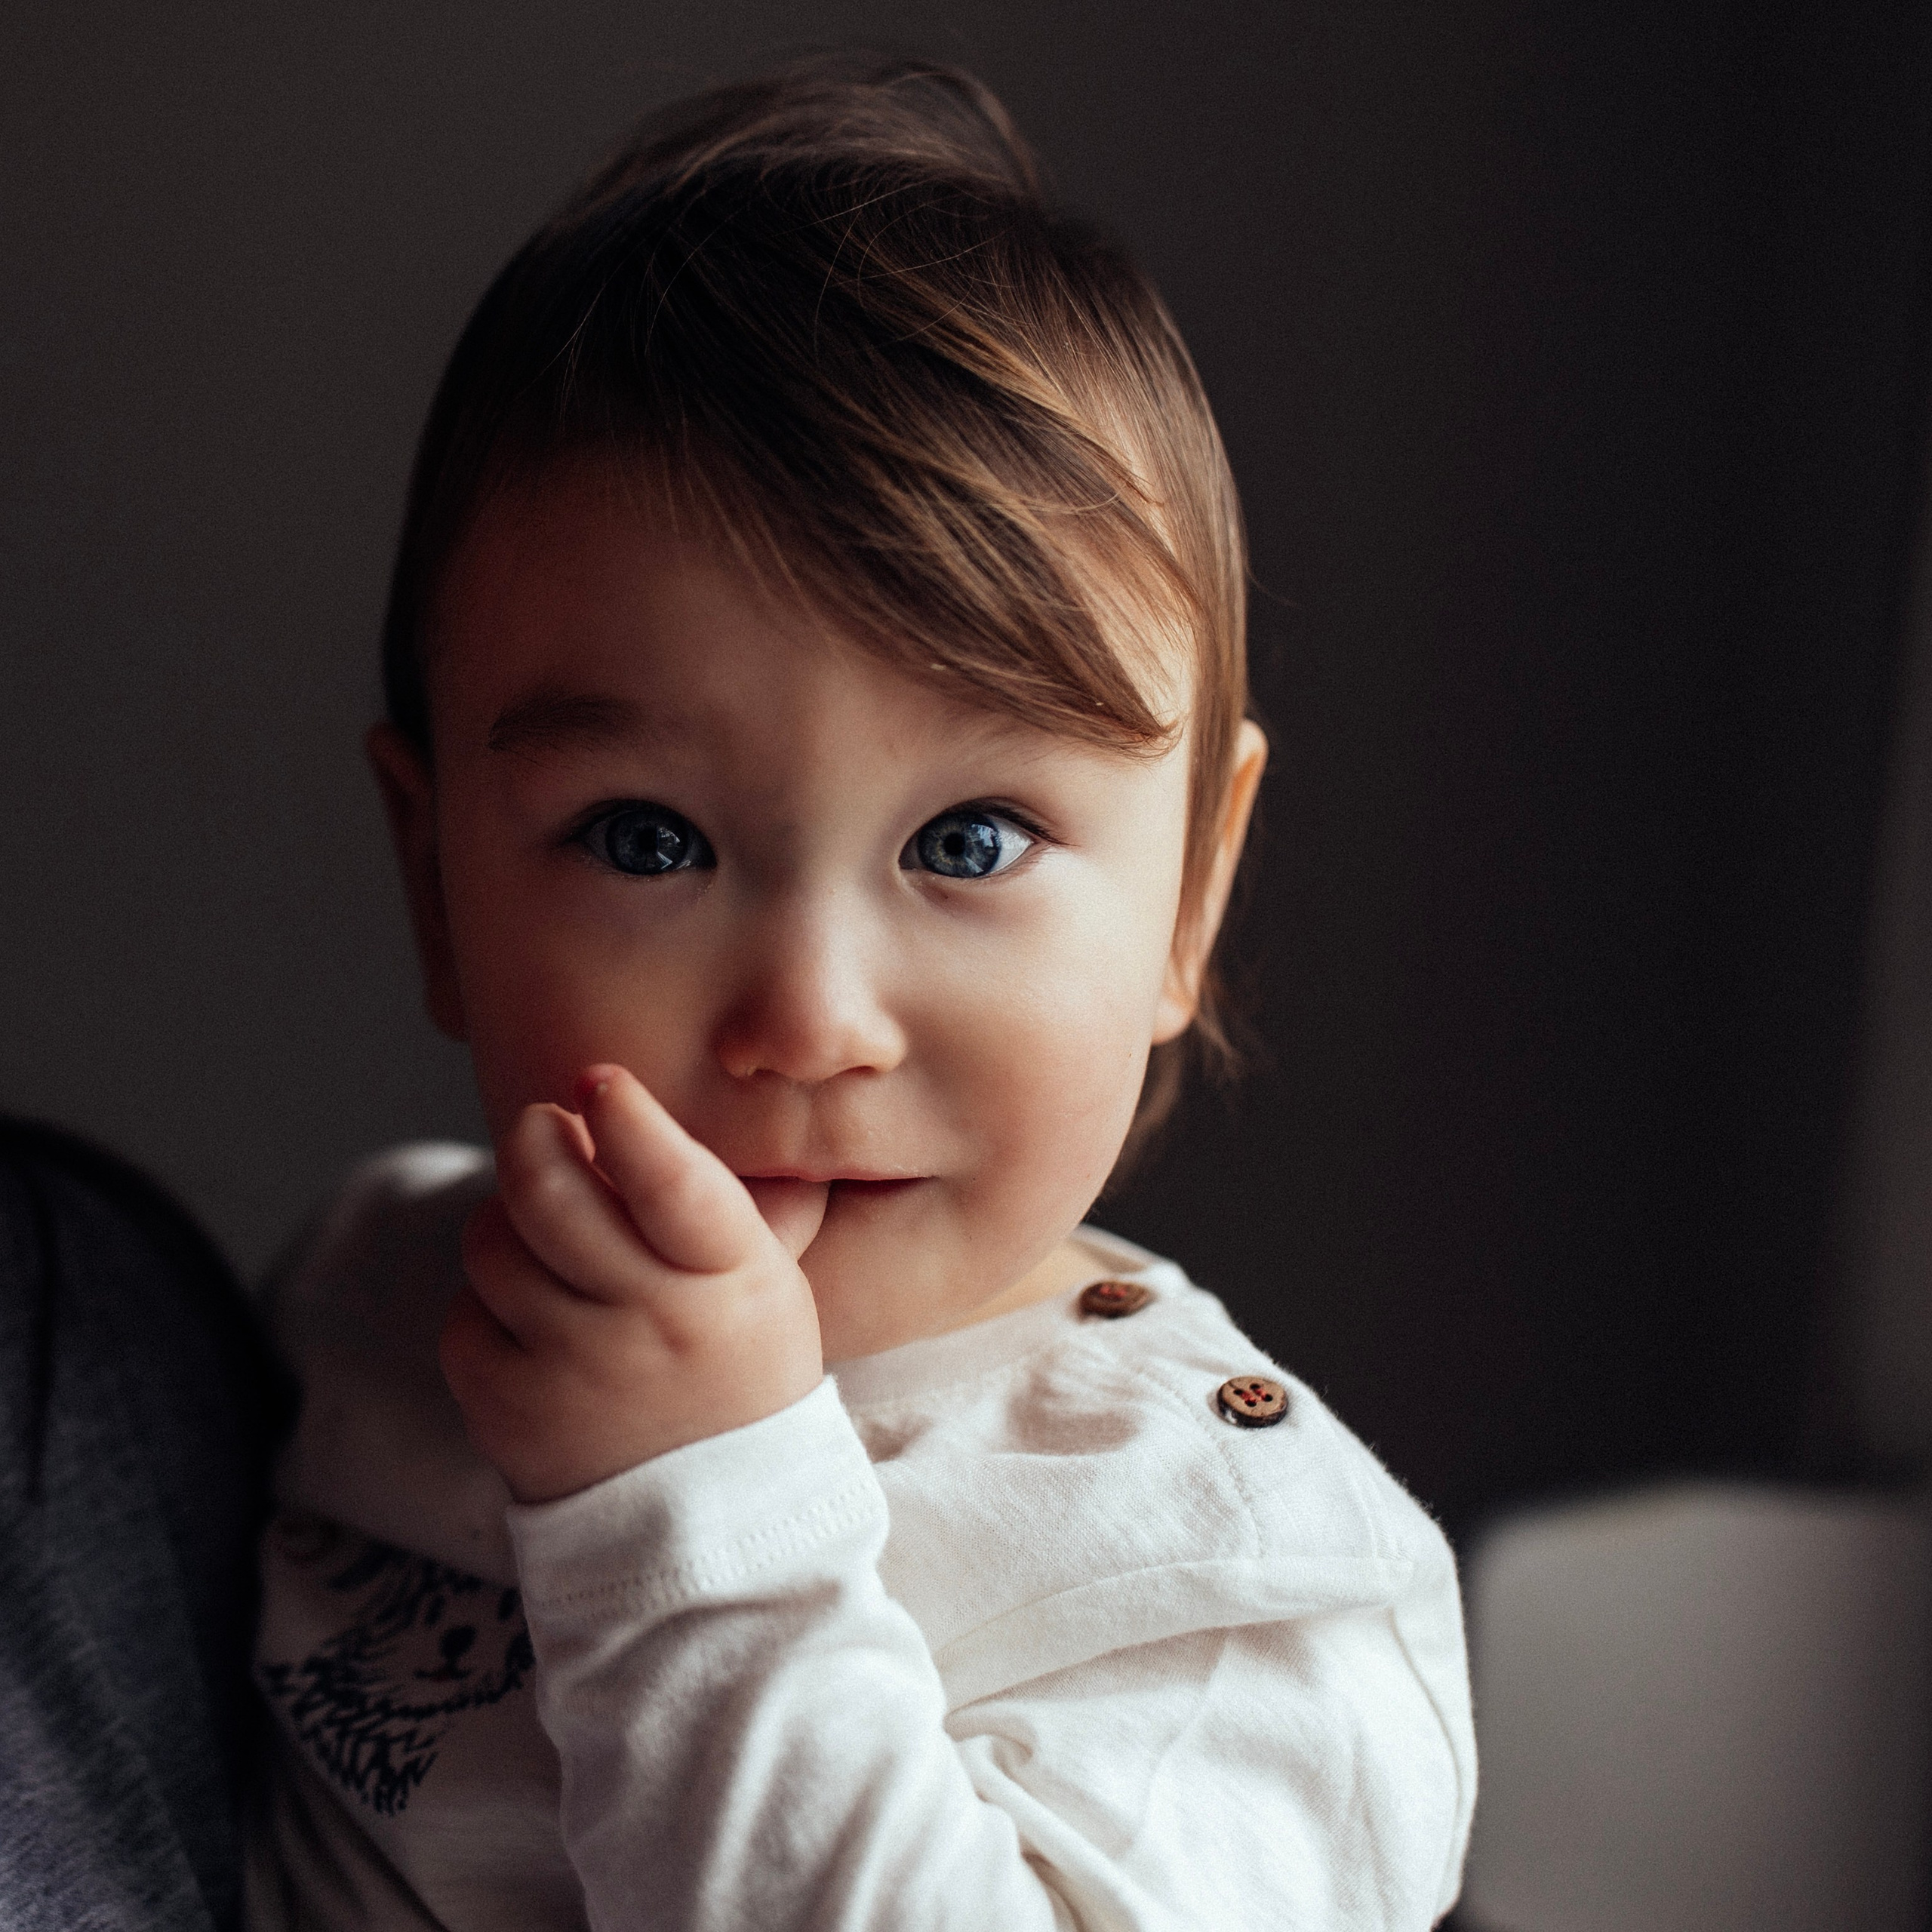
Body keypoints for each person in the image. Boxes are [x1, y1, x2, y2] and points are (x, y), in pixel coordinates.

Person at [246, 54, 1475, 1931]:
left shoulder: (1227, 1587)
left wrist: (689, 1507)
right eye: (646, 840)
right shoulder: (365, 1298)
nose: (811, 1019)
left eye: (970, 841)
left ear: (1186, 894)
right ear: (437, 883)